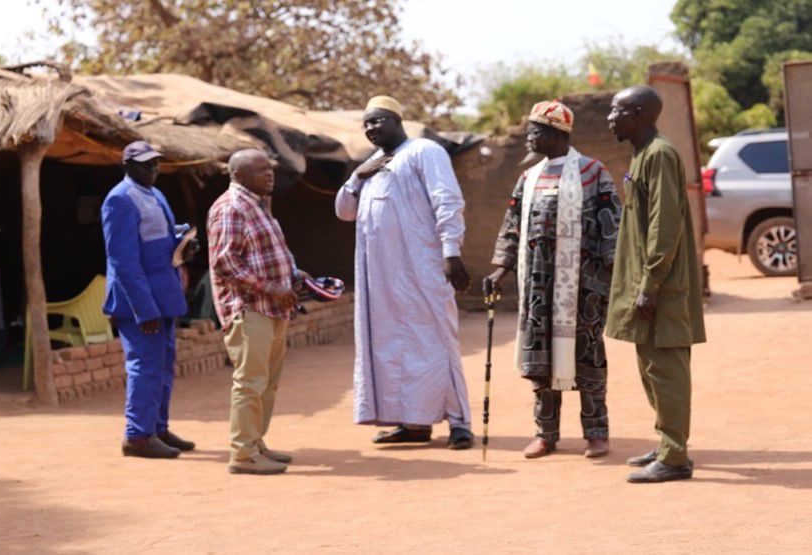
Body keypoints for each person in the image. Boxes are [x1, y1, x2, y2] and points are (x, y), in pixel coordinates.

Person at [334, 95, 474, 449]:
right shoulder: (370, 165)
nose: (370, 128)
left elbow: (447, 201)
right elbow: (344, 212)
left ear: (397, 121)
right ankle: (413, 423)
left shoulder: (424, 151)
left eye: (378, 120)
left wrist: (451, 252)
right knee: (392, 349)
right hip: (381, 282)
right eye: (366, 123)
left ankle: (459, 422)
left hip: (422, 272)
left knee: (436, 343)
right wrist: (355, 178)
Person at [487, 101, 622, 459]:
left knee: (588, 357)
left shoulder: (593, 173)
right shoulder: (528, 178)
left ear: (555, 134)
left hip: (584, 288)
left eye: (534, 132)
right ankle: (546, 433)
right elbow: (512, 226)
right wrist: (499, 269)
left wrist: (616, 275)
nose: (529, 138)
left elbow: (613, 227)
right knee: (541, 362)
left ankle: (596, 433)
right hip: (537, 289)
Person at [606, 85, 706, 483]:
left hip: (660, 286)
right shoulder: (643, 155)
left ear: (640, 113)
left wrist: (650, 284)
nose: (609, 118)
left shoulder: (660, 155)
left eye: (617, 111)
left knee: (666, 369)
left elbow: (665, 227)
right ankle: (668, 445)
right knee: (651, 368)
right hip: (646, 285)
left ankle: (675, 458)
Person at [208, 148, 302, 475]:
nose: (269, 174)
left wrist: (294, 275)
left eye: (270, 169)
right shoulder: (232, 207)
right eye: (261, 170)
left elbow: (275, 250)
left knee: (267, 382)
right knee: (250, 382)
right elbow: (225, 262)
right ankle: (243, 454)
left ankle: (255, 442)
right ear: (238, 175)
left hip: (272, 308)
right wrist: (270, 288)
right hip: (249, 309)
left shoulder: (258, 205)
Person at [102, 141, 197, 459]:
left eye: (155, 163)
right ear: (127, 166)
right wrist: (145, 309)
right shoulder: (119, 200)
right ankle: (137, 436)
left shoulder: (156, 195)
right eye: (145, 164)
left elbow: (159, 240)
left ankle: (157, 427)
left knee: (164, 366)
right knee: (145, 367)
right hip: (139, 302)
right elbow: (123, 261)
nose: (153, 169)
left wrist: (182, 243)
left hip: (164, 293)